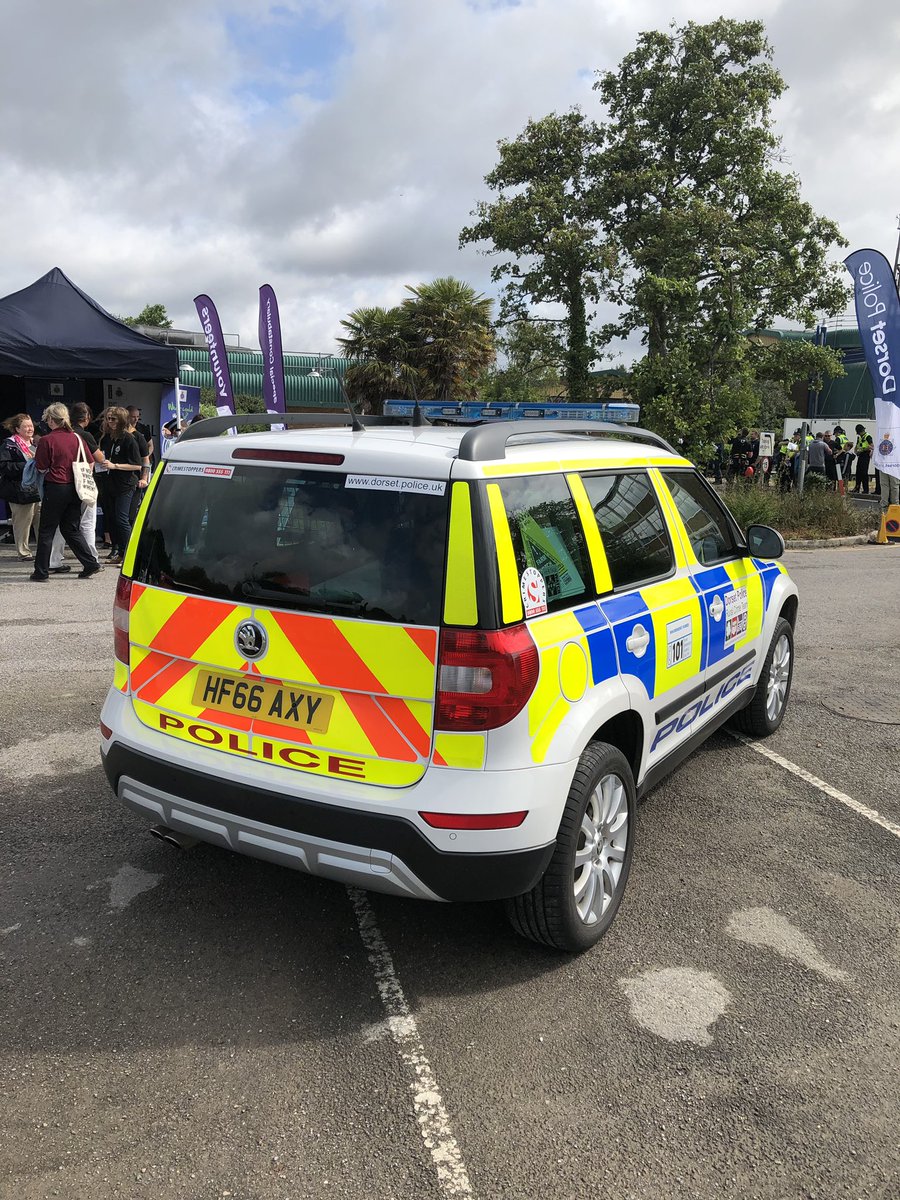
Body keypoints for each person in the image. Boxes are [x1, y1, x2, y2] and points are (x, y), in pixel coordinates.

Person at [31, 403, 103, 582]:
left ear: (50, 419)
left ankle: (41, 571)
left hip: (55, 486)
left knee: (47, 530)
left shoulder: (47, 440)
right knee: (71, 528)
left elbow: (41, 467)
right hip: (75, 487)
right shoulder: (78, 438)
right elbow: (89, 460)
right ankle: (90, 562)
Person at [99, 406, 142, 565]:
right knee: (113, 519)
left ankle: (131, 555)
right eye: (108, 418)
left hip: (125, 484)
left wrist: (115, 466)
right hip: (110, 484)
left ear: (122, 420)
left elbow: (137, 465)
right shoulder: (108, 438)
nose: (110, 422)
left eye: (113, 419)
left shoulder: (129, 439)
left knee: (122, 519)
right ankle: (120, 552)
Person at [0, 413, 42, 559]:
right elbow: (4, 466)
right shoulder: (9, 445)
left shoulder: (37, 443)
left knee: (41, 523)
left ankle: (44, 551)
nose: (30, 429)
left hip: (38, 489)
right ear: (17, 429)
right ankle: (23, 552)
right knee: (22, 524)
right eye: (26, 426)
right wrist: (28, 465)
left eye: (31, 426)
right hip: (19, 491)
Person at [125, 409, 152, 525]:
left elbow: (150, 446)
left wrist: (144, 454)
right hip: (121, 478)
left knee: (132, 509)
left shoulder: (142, 430)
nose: (135, 419)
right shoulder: (120, 432)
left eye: (137, 416)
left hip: (139, 472)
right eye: (133, 416)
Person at [853, 424, 874, 494]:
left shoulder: (868, 436)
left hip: (865, 455)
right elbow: (857, 445)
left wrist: (863, 449)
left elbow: (871, 446)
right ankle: (857, 488)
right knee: (858, 472)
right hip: (860, 455)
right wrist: (856, 451)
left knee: (864, 473)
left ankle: (866, 490)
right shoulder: (859, 437)